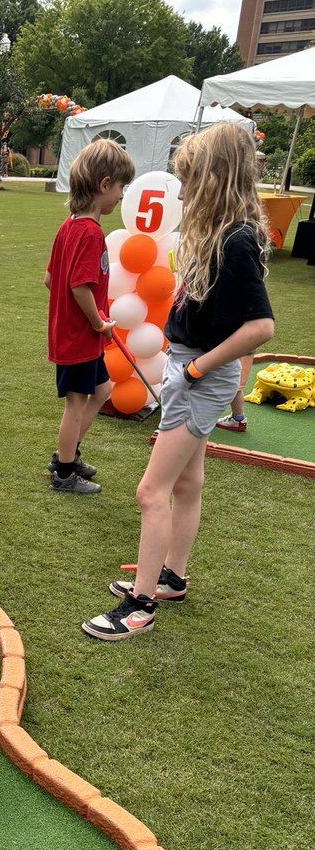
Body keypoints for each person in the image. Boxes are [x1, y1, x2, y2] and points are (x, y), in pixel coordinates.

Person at [82, 124, 274, 642]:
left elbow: (260, 328)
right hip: (192, 372)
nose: (182, 193)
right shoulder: (222, 234)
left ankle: (141, 605)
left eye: (188, 181)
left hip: (198, 379)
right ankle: (171, 578)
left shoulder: (234, 241)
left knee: (151, 491)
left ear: (213, 179)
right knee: (186, 484)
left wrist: (195, 369)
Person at [44, 138, 136, 493]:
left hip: (79, 336)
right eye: (121, 188)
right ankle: (65, 473)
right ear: (104, 185)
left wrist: (79, 316)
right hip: (80, 339)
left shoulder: (69, 225)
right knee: (76, 402)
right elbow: (78, 287)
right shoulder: (89, 232)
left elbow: (52, 280)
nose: (122, 196)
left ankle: (67, 454)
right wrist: (97, 322)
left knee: (102, 390)